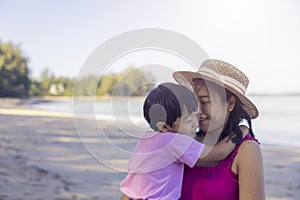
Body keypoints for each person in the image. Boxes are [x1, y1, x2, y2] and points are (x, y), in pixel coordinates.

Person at [120, 82, 237, 200]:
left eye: (196, 117)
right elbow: (217, 153)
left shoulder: (146, 139)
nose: (196, 124)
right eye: (188, 120)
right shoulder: (175, 141)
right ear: (163, 127)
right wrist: (239, 133)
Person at [173, 59, 265, 200]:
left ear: (230, 104)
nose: (197, 110)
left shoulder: (246, 150)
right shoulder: (183, 141)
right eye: (194, 101)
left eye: (204, 101)